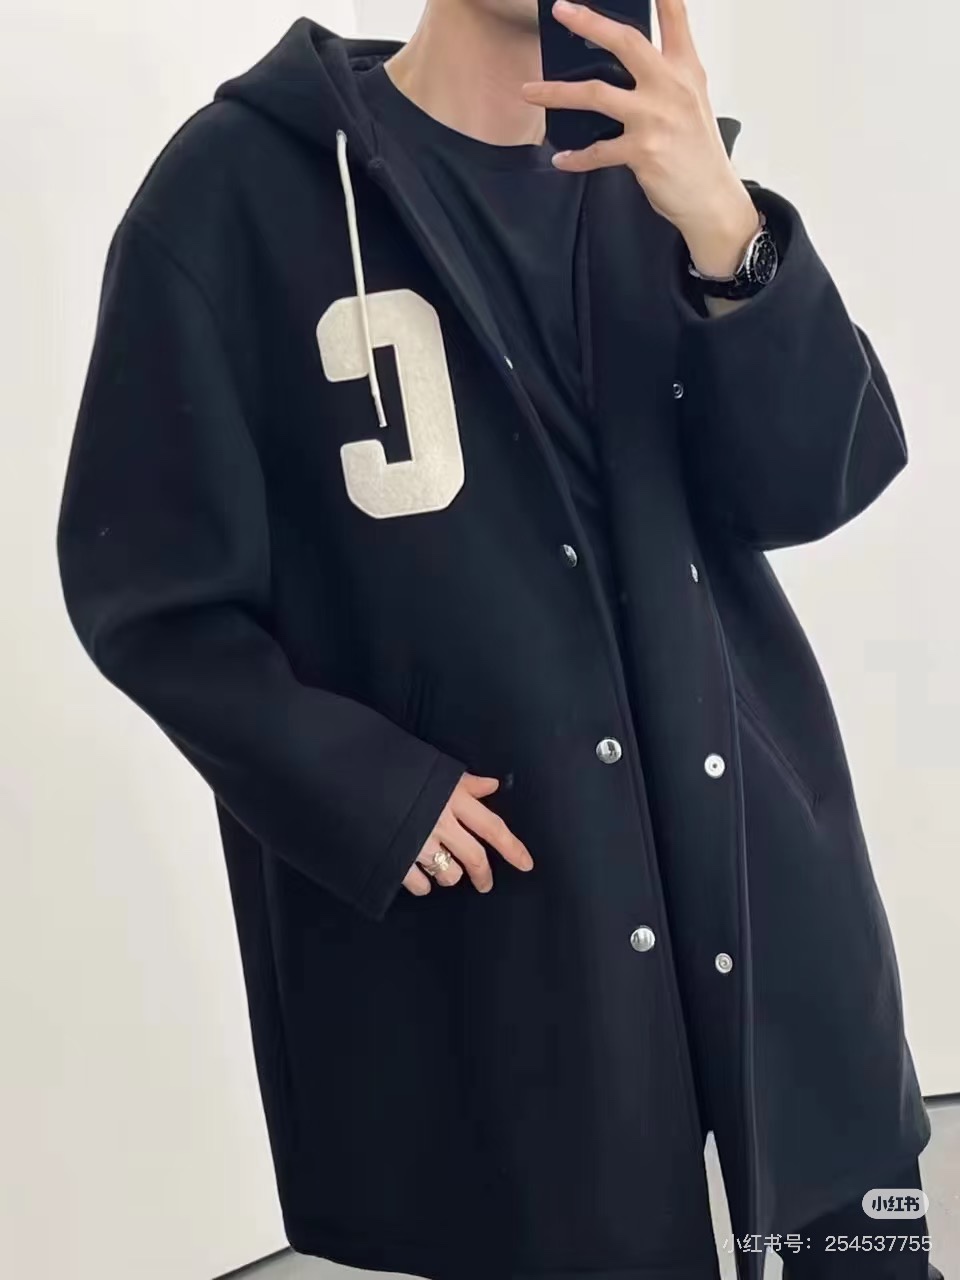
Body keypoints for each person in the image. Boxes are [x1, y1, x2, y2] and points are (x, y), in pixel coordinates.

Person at [56, 1, 942, 1277]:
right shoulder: (232, 198)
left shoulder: (662, 169)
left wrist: (726, 227)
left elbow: (823, 482)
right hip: (514, 957)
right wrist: (368, 789)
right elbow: (148, 592)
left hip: (779, 916)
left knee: (863, 1250)